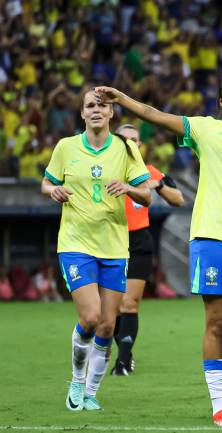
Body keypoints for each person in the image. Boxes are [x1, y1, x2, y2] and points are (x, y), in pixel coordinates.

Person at [96, 73, 222, 426]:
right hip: (214, 237)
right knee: (218, 322)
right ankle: (220, 405)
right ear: (220, 101)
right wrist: (122, 99)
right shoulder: (205, 128)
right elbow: (154, 114)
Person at [42, 89, 151, 411]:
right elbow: (46, 182)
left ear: (111, 114)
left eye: (102, 106)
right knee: (89, 318)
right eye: (90, 105)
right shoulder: (66, 147)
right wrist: (53, 190)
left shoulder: (126, 149)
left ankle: (90, 392)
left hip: (115, 245)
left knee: (107, 324)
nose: (96, 111)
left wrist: (129, 188)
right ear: (82, 113)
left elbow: (146, 195)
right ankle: (76, 380)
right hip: (76, 243)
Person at [111, 123, 184, 376]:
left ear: (140, 145)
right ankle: (121, 352)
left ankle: (122, 361)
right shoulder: (106, 171)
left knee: (129, 303)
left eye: (135, 140)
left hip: (139, 241)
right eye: (125, 139)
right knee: (110, 308)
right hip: (109, 240)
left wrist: (158, 185)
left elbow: (179, 199)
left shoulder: (148, 171)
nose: (131, 144)